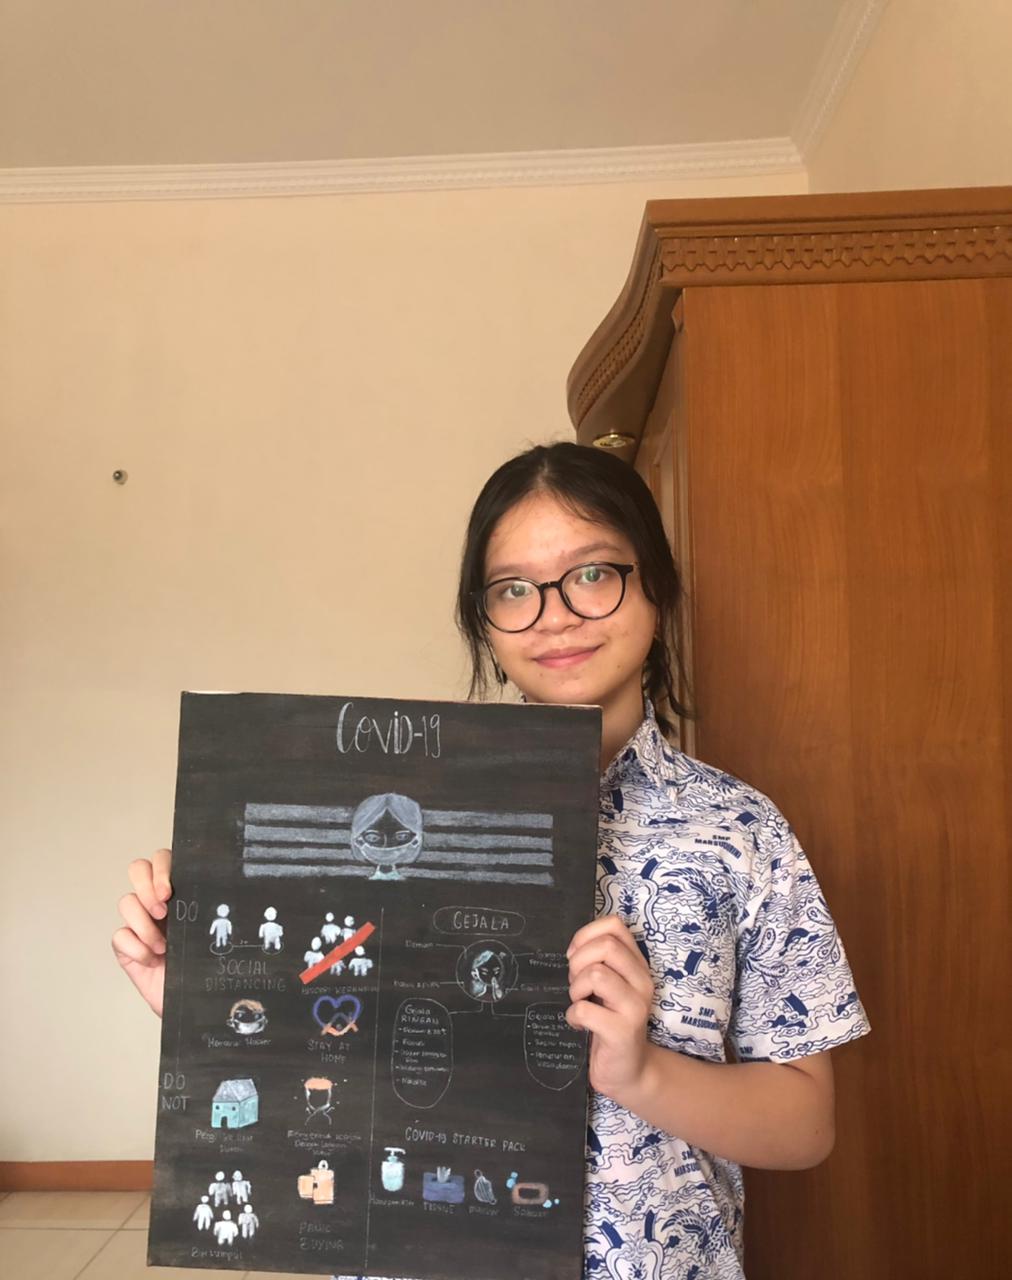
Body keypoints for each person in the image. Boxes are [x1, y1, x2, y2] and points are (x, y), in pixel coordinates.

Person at [112, 441, 870, 1279]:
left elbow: (806, 1128)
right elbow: (334, 1054)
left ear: (655, 584)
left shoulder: (740, 831)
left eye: (592, 573)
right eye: (513, 588)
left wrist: (642, 1073)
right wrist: (203, 995)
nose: (554, 615)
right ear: (483, 619)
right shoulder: (393, 806)